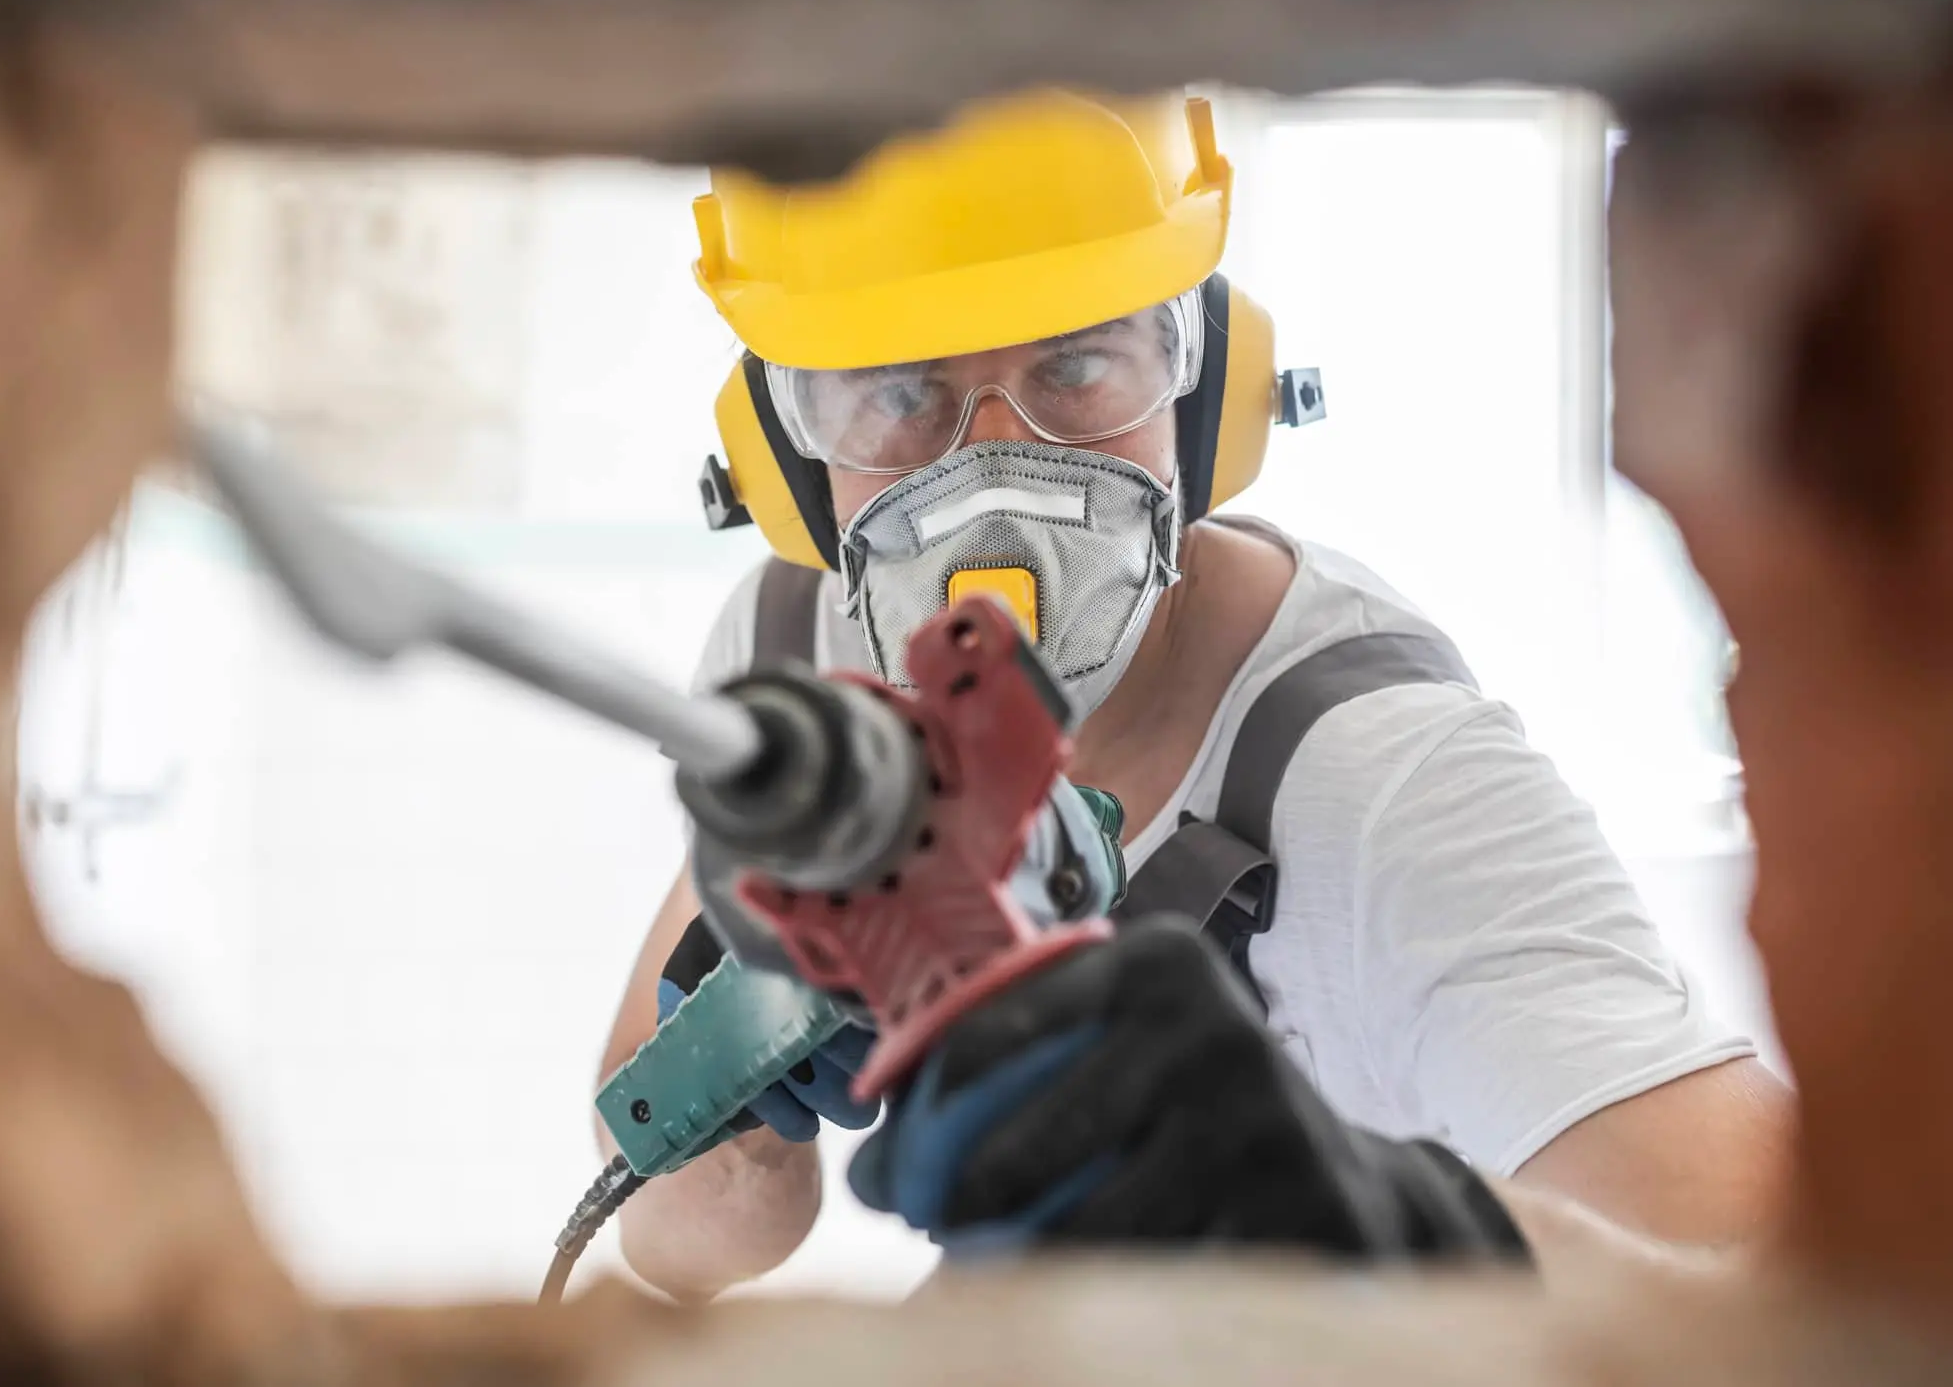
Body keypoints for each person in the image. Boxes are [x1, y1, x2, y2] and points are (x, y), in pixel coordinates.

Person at [596, 87, 1793, 1302]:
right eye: (900, 394)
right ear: (789, 465)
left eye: (1077, 364)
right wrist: (748, 1096)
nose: (995, 476)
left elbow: (1784, 1292)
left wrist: (1362, 1229)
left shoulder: (1393, 782)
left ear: (1206, 393)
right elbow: (675, 1249)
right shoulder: (795, 652)